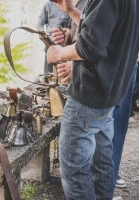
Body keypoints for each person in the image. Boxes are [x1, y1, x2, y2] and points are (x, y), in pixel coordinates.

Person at [47, 0, 139, 199]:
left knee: (74, 168)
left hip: (89, 96)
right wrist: (72, 12)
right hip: (109, 95)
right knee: (102, 162)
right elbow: (103, 32)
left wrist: (59, 53)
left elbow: (90, 46)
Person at [36, 1, 67, 74]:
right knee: (49, 73)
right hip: (51, 44)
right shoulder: (48, 5)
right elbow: (39, 25)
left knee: (64, 73)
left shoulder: (71, 3)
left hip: (67, 45)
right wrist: (47, 38)